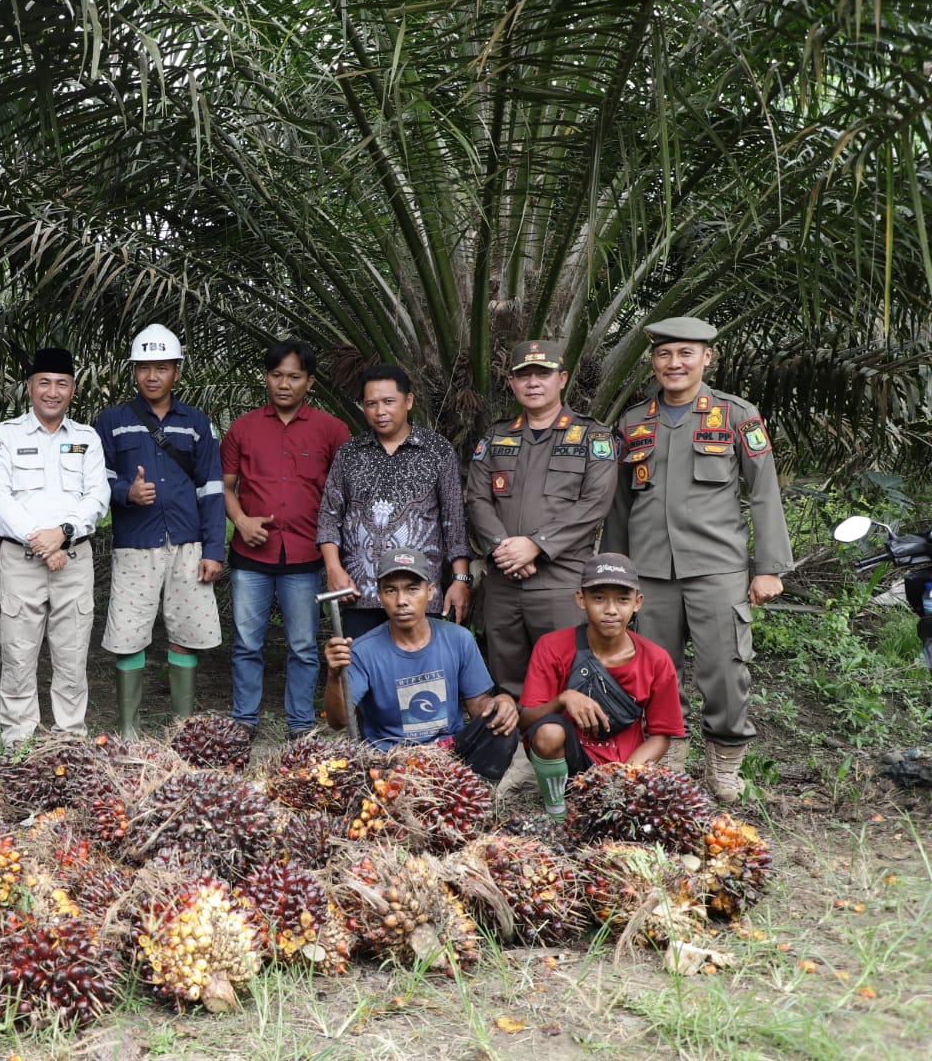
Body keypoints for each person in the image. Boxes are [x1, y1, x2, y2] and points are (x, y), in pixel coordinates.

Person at [602, 316, 793, 803]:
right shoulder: (633, 422)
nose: (675, 363)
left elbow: (765, 493)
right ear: (653, 362)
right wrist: (616, 572)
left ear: (708, 357)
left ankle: (724, 765)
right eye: (665, 354)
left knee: (726, 670)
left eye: (686, 353)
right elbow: (620, 505)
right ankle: (668, 760)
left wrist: (768, 566)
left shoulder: (734, 416)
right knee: (652, 671)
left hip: (717, 568)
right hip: (649, 571)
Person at [95, 323, 226, 738]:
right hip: (136, 544)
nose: (153, 376)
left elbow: (211, 488)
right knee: (130, 634)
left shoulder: (197, 423)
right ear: (133, 372)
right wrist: (125, 492)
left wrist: (214, 550)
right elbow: (96, 480)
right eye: (144, 368)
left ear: (177, 372)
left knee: (185, 635)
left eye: (162, 367)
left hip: (188, 544)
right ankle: (129, 729)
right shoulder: (113, 421)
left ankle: (181, 729)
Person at [465, 340, 617, 697]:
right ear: (512, 383)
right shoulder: (496, 436)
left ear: (561, 379)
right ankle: (515, 750)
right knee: (508, 681)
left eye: (543, 374)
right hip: (504, 581)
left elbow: (595, 502)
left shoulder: (592, 436)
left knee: (567, 679)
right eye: (524, 375)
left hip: (561, 582)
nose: (533, 382)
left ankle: (562, 752)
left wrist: (536, 545)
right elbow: (477, 497)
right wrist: (503, 549)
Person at [221, 340, 350, 739]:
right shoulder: (243, 428)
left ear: (309, 381)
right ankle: (244, 720)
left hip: (306, 557)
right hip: (250, 557)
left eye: (294, 376)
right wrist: (240, 521)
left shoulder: (332, 430)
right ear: (265, 377)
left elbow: (345, 493)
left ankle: (300, 725)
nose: (284, 384)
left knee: (303, 647)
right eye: (276, 375)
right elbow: (225, 487)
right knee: (246, 644)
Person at [0, 348, 111, 747]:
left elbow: (98, 496)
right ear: (29, 387)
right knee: (18, 654)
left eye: (61, 383)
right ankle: (18, 741)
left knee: (72, 654)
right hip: (22, 560)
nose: (52, 392)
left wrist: (64, 533)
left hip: (73, 559)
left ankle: (70, 738)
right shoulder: (6, 435)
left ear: (73, 389)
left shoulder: (86, 438)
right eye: (44, 383)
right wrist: (43, 542)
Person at [322, 548, 519, 780]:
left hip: (449, 754)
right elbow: (338, 721)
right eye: (390, 591)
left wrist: (502, 702)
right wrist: (334, 675)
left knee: (502, 727)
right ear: (380, 596)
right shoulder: (363, 650)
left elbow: (478, 707)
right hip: (390, 761)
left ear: (431, 592)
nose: (401, 601)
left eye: (412, 589)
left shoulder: (458, 639)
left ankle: (478, 797)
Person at [517, 553, 687, 817]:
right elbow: (526, 720)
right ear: (580, 599)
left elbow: (661, 734)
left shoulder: (656, 659)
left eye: (622, 599)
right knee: (549, 732)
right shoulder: (552, 647)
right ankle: (557, 812)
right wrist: (563, 699)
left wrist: (626, 775)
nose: (610, 609)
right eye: (599, 598)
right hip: (571, 760)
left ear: (637, 602)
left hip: (625, 765)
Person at [317, 363, 472, 641]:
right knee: (360, 672)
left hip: (420, 593)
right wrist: (334, 569)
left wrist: (460, 580)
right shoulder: (349, 454)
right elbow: (329, 516)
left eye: (389, 401)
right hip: (359, 591)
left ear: (408, 401)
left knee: (418, 673)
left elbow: (454, 521)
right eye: (371, 404)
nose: (380, 411)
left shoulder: (437, 451)